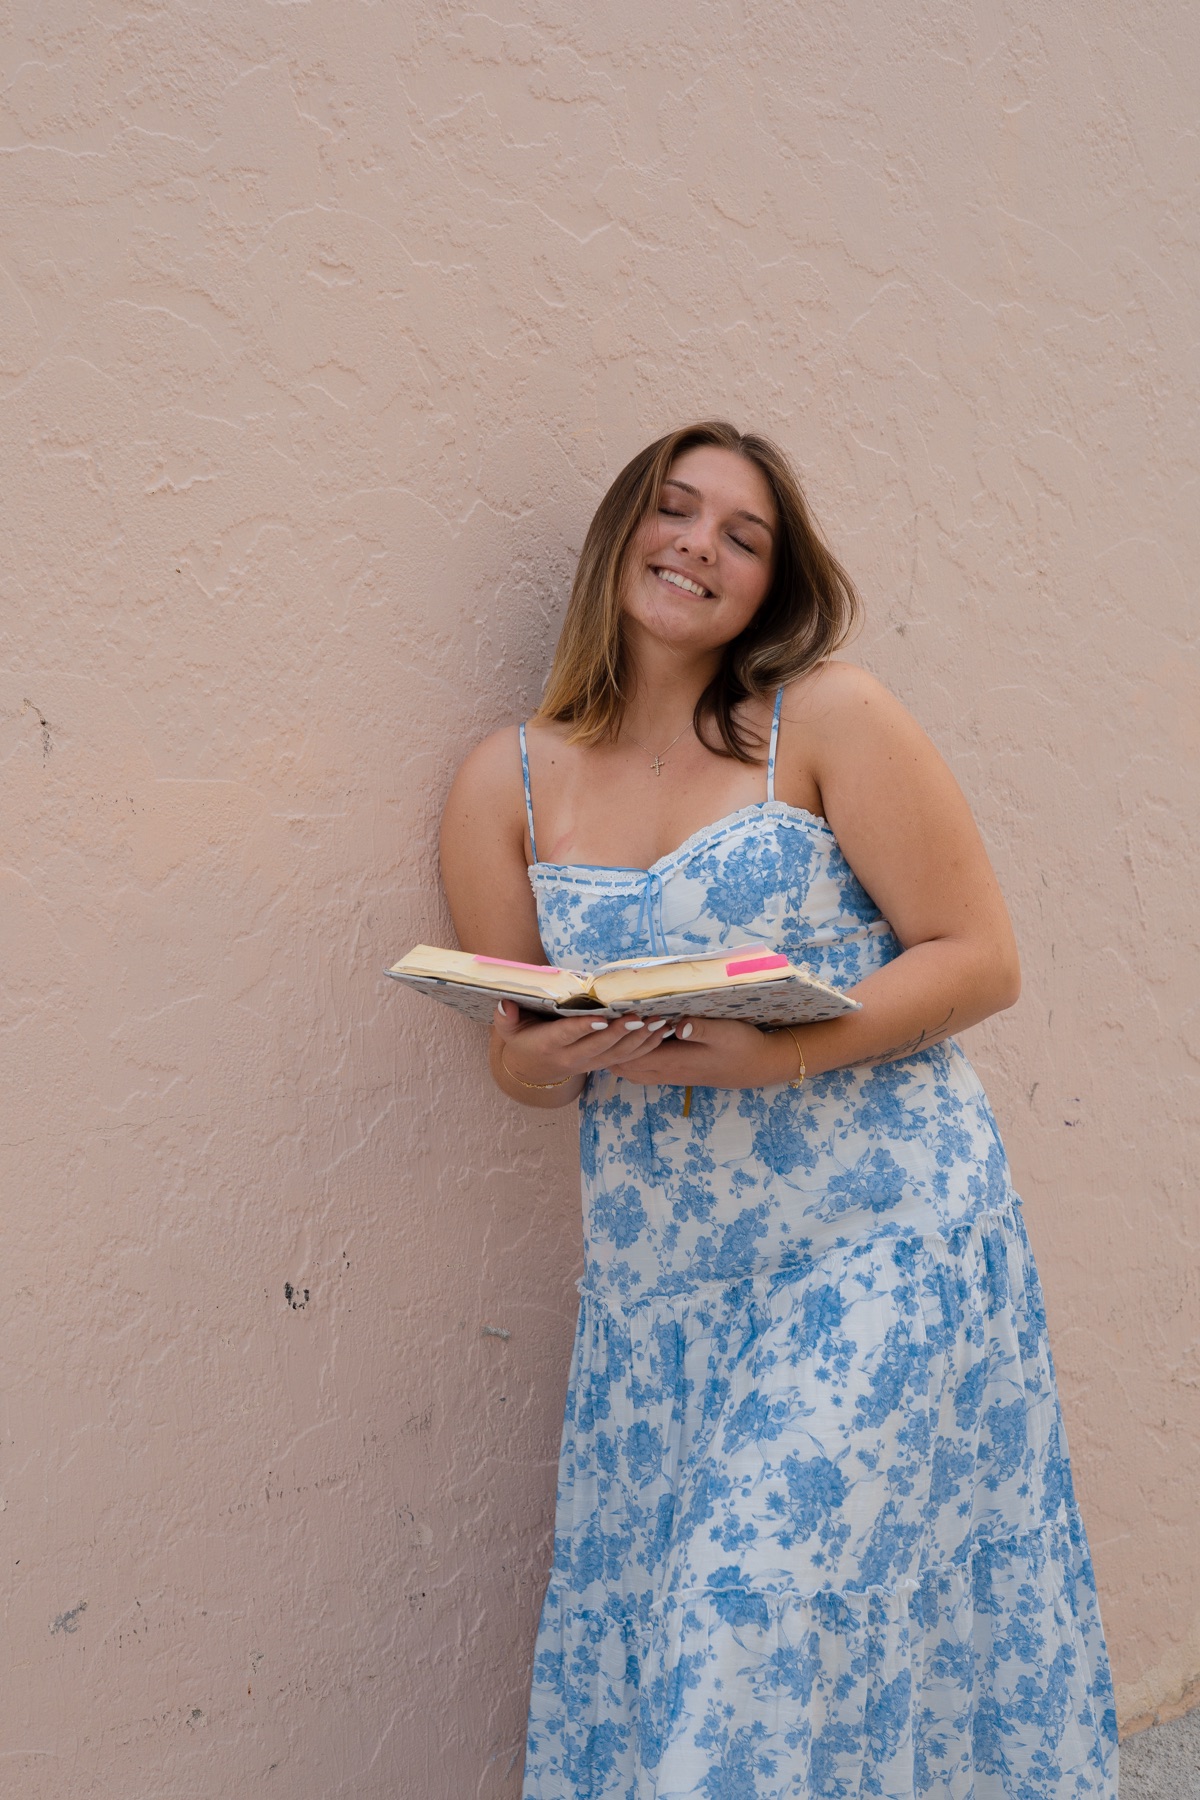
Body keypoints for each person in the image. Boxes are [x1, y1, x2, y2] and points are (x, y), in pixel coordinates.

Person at [440, 421, 1118, 1799]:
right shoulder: (502, 780)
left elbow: (978, 954)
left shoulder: (827, 721)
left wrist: (779, 1055)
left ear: (770, 584)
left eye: (741, 536)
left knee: (757, 1604)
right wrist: (557, 1055)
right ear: (620, 532)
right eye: (675, 510)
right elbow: (510, 1060)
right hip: (665, 1281)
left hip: (883, 1233)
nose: (698, 545)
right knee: (713, 1641)